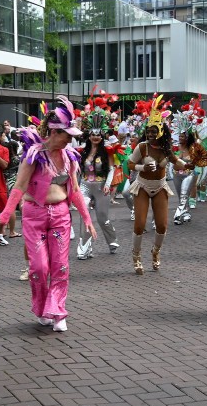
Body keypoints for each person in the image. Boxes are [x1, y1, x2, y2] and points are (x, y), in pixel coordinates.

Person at [0, 98, 96, 332]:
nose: (70, 139)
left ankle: (57, 312)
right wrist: (5, 216)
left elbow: (75, 191)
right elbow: (19, 186)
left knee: (61, 266)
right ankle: (41, 308)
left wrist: (87, 219)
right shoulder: (34, 155)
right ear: (54, 132)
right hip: (34, 215)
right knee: (39, 268)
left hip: (60, 215)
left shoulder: (69, 157)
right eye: (67, 134)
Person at [127, 99, 186, 274]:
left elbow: (177, 162)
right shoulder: (142, 147)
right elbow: (129, 165)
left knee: (162, 226)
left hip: (160, 187)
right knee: (139, 224)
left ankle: (155, 252)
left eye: (154, 131)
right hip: (143, 186)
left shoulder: (167, 149)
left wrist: (190, 165)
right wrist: (142, 167)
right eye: (148, 131)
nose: (150, 134)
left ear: (161, 132)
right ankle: (136, 256)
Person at [76, 112, 119, 259]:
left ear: (102, 136)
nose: (96, 137)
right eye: (93, 134)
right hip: (85, 186)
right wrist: (75, 187)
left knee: (102, 218)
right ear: (89, 135)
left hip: (101, 186)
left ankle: (112, 241)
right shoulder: (82, 151)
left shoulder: (107, 151)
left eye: (99, 135)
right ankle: (84, 248)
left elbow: (111, 169)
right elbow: (78, 171)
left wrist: (108, 184)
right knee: (85, 215)